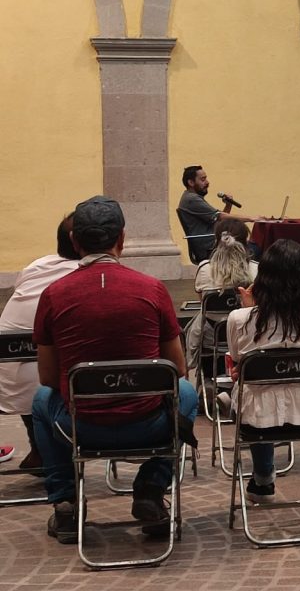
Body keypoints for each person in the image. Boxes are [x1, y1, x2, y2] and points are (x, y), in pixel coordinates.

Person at [31, 196, 199, 544]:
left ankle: (64, 504)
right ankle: (152, 487)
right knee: (186, 392)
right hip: (147, 423)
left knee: (40, 398)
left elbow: (48, 378)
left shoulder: (53, 294)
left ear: (75, 242)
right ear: (122, 239)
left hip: (79, 426)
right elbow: (178, 368)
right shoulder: (153, 289)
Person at [226, 239, 300, 503]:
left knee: (254, 389)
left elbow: (237, 357)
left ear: (262, 278)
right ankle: (264, 479)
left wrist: (248, 309)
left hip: (257, 418)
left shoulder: (240, 318)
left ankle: (263, 478)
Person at [0, 214, 80, 472]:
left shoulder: (36, 266)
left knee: (31, 369)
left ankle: (39, 449)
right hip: (55, 384)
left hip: (6, 375)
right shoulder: (84, 276)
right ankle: (54, 454)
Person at [184, 217, 259, 373]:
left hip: (213, 337)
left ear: (217, 241)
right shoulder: (256, 270)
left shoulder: (204, 268)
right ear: (245, 242)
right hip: (245, 337)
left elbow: (203, 303)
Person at [177, 165, 258, 261]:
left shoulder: (191, 197)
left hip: (214, 243)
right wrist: (251, 218)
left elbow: (219, 222)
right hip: (210, 248)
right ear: (191, 182)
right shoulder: (191, 199)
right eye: (203, 180)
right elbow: (220, 216)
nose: (207, 182)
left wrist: (228, 205)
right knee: (256, 249)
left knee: (252, 246)